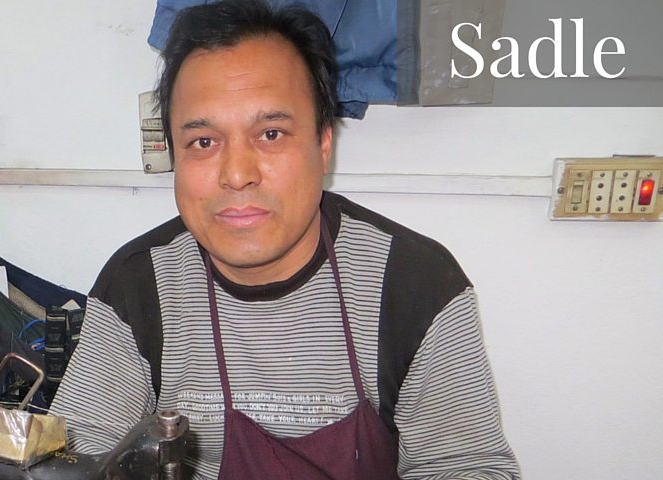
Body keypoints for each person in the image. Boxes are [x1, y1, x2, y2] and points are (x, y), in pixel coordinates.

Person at [50, 1, 520, 478]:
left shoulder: (414, 284)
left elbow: (467, 467)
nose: (236, 174)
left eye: (271, 134)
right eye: (204, 142)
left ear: (323, 143)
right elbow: (78, 458)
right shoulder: (140, 284)